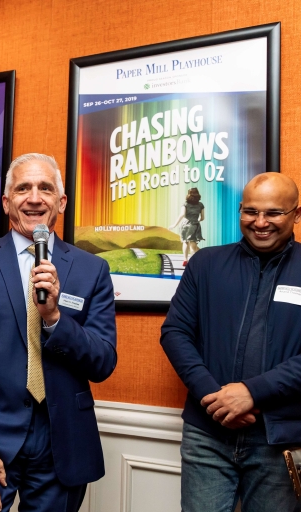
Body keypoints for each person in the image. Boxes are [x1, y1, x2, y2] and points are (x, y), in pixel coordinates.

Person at [0, 153, 117, 512]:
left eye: (45, 188)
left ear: (61, 202)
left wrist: (54, 317)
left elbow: (102, 362)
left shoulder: (92, 270)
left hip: (62, 443)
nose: (34, 198)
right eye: (23, 188)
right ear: (7, 202)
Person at [161, 173, 301, 512]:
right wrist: (215, 399)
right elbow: (175, 333)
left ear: (296, 214)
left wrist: (252, 392)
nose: (260, 222)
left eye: (273, 213)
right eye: (251, 211)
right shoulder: (206, 263)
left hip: (280, 438)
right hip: (206, 436)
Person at [169, 188, 205, 265]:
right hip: (194, 225)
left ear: (188, 194)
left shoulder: (185, 204)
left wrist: (174, 224)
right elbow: (202, 218)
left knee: (185, 242)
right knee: (193, 243)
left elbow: (182, 214)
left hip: (185, 224)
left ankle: (185, 260)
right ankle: (193, 261)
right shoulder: (200, 205)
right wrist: (197, 220)